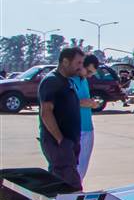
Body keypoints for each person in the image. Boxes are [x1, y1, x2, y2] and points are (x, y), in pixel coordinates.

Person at [38, 47, 85, 190]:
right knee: (71, 188)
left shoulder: (66, 81)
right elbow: (46, 112)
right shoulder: (52, 81)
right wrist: (60, 140)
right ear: (65, 61)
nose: (80, 67)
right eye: (78, 63)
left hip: (68, 142)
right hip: (58, 143)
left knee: (59, 187)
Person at [71, 54, 101, 183]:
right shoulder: (70, 79)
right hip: (76, 129)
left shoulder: (83, 80)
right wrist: (84, 103)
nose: (89, 75)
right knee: (73, 167)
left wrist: (91, 103)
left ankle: (77, 187)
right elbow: (68, 102)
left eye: (92, 73)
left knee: (82, 167)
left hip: (87, 128)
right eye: (88, 71)